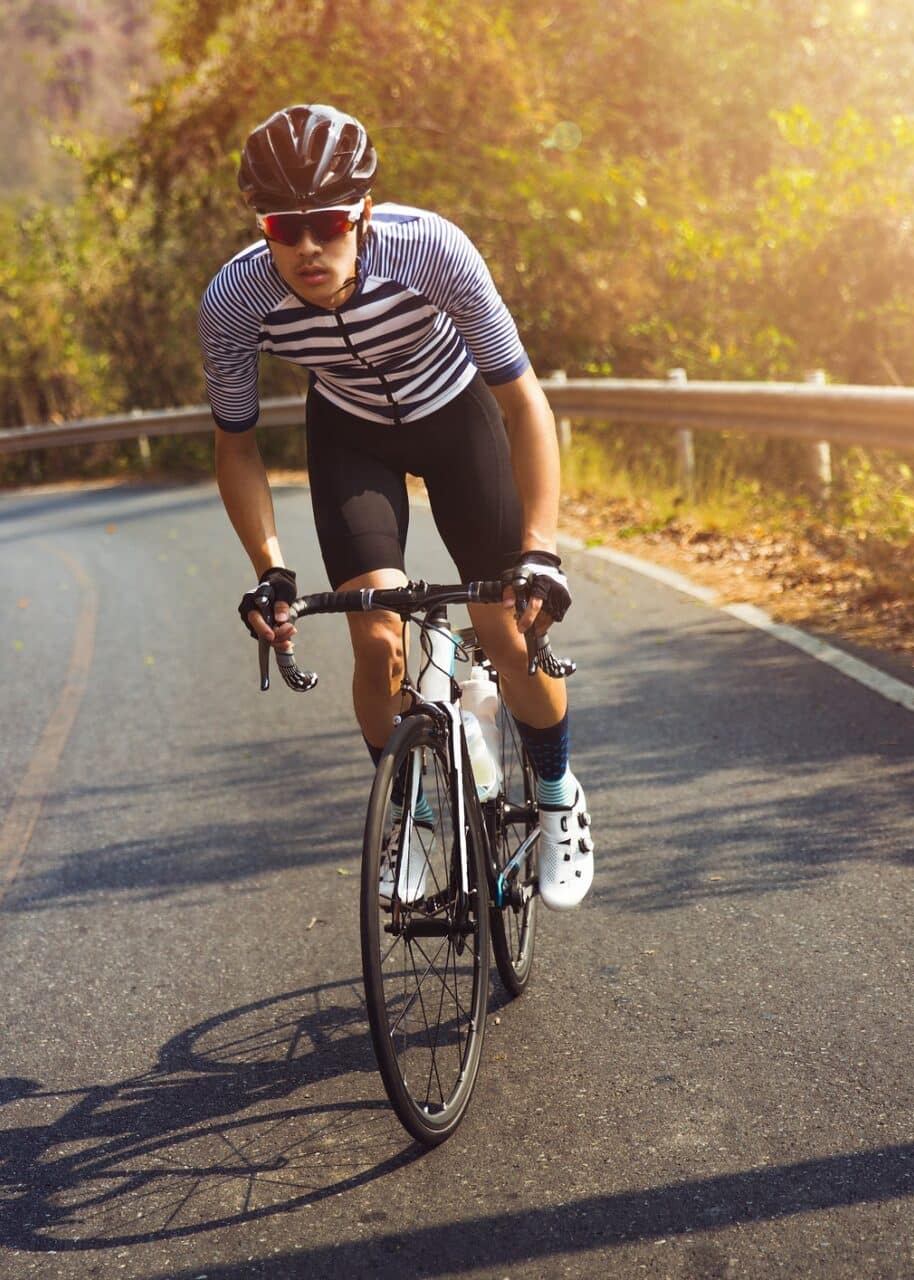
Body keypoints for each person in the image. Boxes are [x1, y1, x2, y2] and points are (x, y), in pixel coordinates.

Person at [199, 103, 594, 909]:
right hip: (352, 435)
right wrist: (271, 570)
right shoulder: (234, 301)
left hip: (457, 419)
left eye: (329, 222)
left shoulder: (431, 249)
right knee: (375, 636)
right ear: (262, 225)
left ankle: (558, 797)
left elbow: (522, 401)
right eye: (285, 226)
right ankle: (411, 818)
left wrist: (540, 548)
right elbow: (236, 444)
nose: (308, 246)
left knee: (503, 629)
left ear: (363, 214)